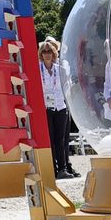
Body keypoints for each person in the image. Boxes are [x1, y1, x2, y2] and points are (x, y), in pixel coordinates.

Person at [37, 37, 77, 180]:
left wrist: (68, 104)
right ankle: (52, 168)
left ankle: (63, 168)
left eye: (49, 51)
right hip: (45, 107)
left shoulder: (60, 69)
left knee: (61, 139)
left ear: (54, 53)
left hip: (60, 106)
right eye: (44, 51)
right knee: (50, 139)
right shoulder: (37, 69)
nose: (47, 53)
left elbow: (68, 87)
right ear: (41, 54)